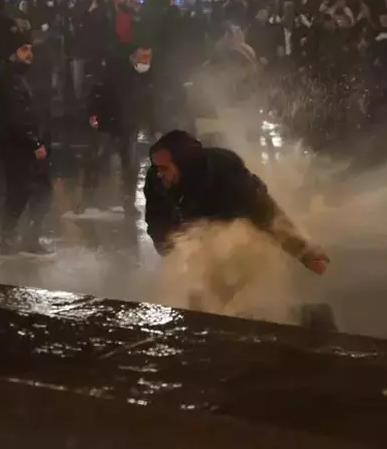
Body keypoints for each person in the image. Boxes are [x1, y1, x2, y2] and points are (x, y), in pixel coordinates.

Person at [144, 130, 330, 286]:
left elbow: (267, 214)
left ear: (185, 165)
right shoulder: (156, 180)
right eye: (157, 167)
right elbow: (156, 220)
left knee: (232, 277)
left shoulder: (226, 175)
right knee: (197, 286)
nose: (159, 174)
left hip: (232, 227)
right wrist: (171, 255)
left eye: (165, 168)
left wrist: (305, 253)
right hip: (193, 231)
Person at [79, 39, 157, 215]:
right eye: (143, 56)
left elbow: (150, 104)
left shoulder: (148, 76)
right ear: (133, 56)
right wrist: (93, 113)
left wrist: (153, 127)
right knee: (97, 162)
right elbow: (98, 93)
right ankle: (87, 200)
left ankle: (128, 203)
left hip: (130, 127)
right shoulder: (114, 71)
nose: (146, 61)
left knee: (131, 167)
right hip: (108, 125)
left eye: (149, 57)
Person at [0, 35, 53, 258]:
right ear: (12, 53)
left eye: (30, 49)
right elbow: (15, 116)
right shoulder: (9, 78)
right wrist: (33, 142)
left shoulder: (23, 75)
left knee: (38, 190)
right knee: (20, 192)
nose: (29, 54)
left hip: (25, 142)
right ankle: (8, 239)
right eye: (23, 49)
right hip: (16, 145)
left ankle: (27, 238)